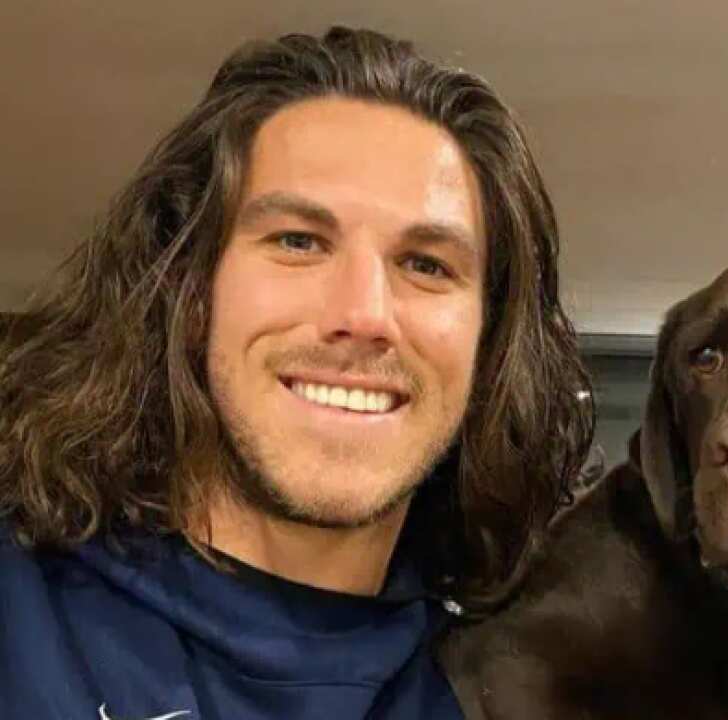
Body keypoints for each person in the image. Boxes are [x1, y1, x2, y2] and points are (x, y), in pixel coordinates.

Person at [0, 27, 593, 718]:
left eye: (427, 264)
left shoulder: (520, 684)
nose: (365, 314)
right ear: (187, 290)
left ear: (489, 341)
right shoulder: (23, 617)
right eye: (298, 241)